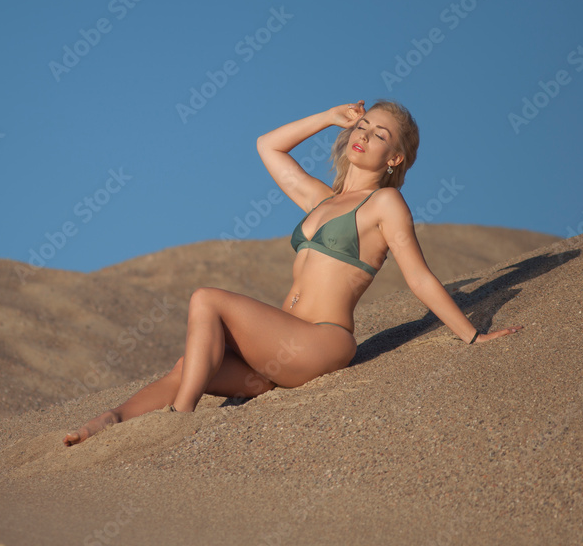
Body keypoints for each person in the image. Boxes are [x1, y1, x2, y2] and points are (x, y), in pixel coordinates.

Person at [63, 99, 524, 446]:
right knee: (191, 365)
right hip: (274, 360)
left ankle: (179, 421)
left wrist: (472, 336)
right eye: (362, 124)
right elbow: (268, 145)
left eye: (380, 133)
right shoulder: (321, 200)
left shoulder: (385, 204)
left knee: (206, 298)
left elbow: (419, 277)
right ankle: (113, 420)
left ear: (395, 158)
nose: (364, 133)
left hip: (320, 341)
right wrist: (327, 116)